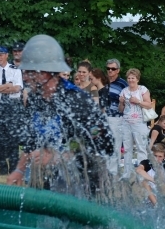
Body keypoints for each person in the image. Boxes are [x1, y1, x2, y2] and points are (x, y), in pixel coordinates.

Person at [6, 35, 114, 199]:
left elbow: (104, 142)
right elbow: (32, 140)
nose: (25, 77)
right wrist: (19, 170)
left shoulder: (77, 101)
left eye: (29, 72)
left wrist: (61, 155)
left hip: (85, 183)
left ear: (46, 73)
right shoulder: (36, 98)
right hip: (52, 179)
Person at [0, 45, 24, 175]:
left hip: (12, 105)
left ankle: (14, 167)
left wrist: (0, 88)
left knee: (13, 137)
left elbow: (16, 88)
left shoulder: (15, 70)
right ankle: (2, 167)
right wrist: (6, 86)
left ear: (6, 55)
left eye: (1, 55)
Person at [118, 68, 154, 172]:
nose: (130, 80)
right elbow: (120, 110)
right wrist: (121, 102)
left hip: (139, 122)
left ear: (137, 79)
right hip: (126, 122)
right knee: (127, 148)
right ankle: (127, 171)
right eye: (129, 78)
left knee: (141, 147)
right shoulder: (124, 91)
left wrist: (138, 101)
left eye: (133, 78)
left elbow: (148, 105)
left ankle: (143, 170)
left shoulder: (142, 89)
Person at [104, 58, 128, 174]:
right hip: (102, 117)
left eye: (113, 69)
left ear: (118, 70)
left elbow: (127, 102)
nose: (110, 71)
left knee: (115, 145)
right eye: (108, 68)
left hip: (116, 118)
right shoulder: (102, 81)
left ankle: (113, 173)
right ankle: (103, 171)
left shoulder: (123, 84)